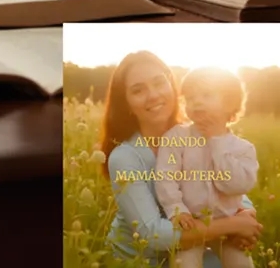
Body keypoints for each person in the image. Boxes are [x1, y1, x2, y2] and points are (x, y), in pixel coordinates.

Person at [100, 51, 262, 266]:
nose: (153, 95)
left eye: (159, 83)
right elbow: (152, 233)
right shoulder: (125, 157)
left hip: (194, 243)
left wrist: (245, 213)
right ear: (127, 103)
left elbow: (221, 183)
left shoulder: (199, 133)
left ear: (172, 86)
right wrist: (233, 225)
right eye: (138, 90)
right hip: (142, 258)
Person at [154, 66, 258, 268]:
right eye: (190, 98)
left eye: (206, 95)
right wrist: (176, 210)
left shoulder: (243, 149)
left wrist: (217, 141)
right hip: (191, 224)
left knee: (242, 264)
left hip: (229, 228)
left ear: (230, 103)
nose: (197, 102)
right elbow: (166, 177)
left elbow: (236, 186)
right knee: (185, 264)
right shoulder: (177, 138)